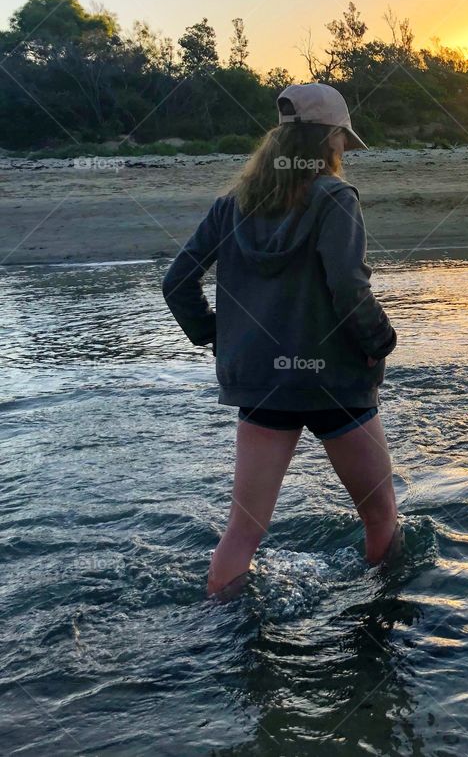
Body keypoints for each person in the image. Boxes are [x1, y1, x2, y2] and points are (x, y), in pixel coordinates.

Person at [163, 83, 401, 598]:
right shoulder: (336, 199)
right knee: (381, 517)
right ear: (331, 139)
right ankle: (382, 625)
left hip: (261, 383)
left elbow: (177, 283)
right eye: (342, 141)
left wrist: (215, 335)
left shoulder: (231, 205)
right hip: (335, 384)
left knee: (243, 531)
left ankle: (219, 637)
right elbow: (349, 289)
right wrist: (382, 342)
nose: (343, 152)